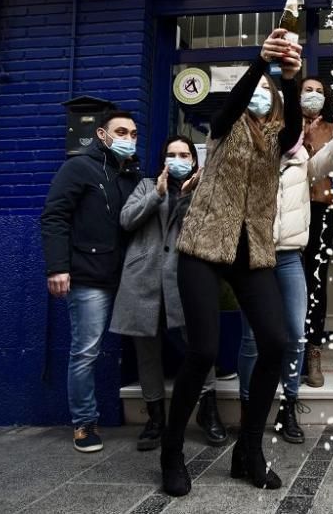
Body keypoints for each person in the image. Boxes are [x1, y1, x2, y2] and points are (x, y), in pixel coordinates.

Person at [159, 29, 302, 496]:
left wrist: (293, 78)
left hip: (253, 249)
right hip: (202, 245)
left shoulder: (279, 137)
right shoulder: (223, 127)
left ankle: (249, 452)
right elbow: (228, 107)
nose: (261, 97)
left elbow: (297, 128)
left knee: (276, 343)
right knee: (202, 350)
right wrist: (260, 64)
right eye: (255, 92)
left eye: (268, 94)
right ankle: (172, 449)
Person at [238, 90, 333, 444]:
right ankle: (247, 407)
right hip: (253, 256)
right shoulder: (244, 151)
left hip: (288, 257)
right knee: (251, 339)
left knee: (296, 334)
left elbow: (330, 156)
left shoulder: (302, 157)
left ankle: (289, 404)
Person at [110, 136, 230, 451]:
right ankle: (155, 418)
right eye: (171, 154)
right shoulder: (147, 185)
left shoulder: (205, 188)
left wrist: (187, 197)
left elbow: (213, 229)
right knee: (147, 352)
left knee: (200, 345)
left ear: (194, 159)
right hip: (144, 278)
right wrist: (157, 195)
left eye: (184, 154)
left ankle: (208, 411)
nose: (177, 159)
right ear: (163, 159)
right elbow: (126, 220)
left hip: (185, 278)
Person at [41, 110, 141, 453]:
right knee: (85, 351)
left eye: (133, 133)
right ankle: (84, 423)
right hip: (89, 277)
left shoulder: (132, 175)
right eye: (122, 131)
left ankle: (155, 417)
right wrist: (57, 267)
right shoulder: (79, 168)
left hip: (127, 275)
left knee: (151, 337)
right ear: (101, 134)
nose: (129, 138)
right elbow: (54, 216)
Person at [300, 77, 333, 388]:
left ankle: (313, 356)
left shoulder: (332, 130)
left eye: (320, 91)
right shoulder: (282, 125)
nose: (314, 95)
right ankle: (290, 352)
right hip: (286, 212)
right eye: (308, 89)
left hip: (320, 212)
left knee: (315, 284)